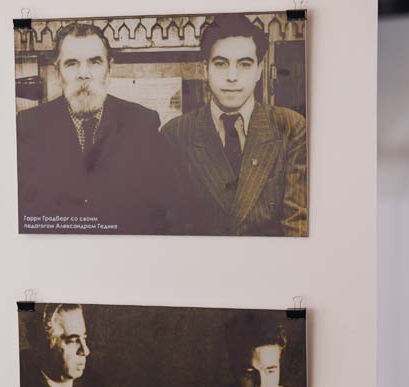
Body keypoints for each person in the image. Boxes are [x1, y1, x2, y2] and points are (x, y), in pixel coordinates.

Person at [15, 22, 186, 235]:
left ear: (109, 70)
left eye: (95, 62)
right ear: (58, 74)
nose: (84, 74)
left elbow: (166, 213)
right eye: (71, 64)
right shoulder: (28, 125)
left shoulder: (142, 123)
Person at [160, 13, 309, 237]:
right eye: (221, 64)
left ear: (259, 70)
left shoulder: (291, 127)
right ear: (205, 69)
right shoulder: (175, 134)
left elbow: (297, 225)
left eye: (244, 64)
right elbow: (172, 227)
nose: (232, 77)